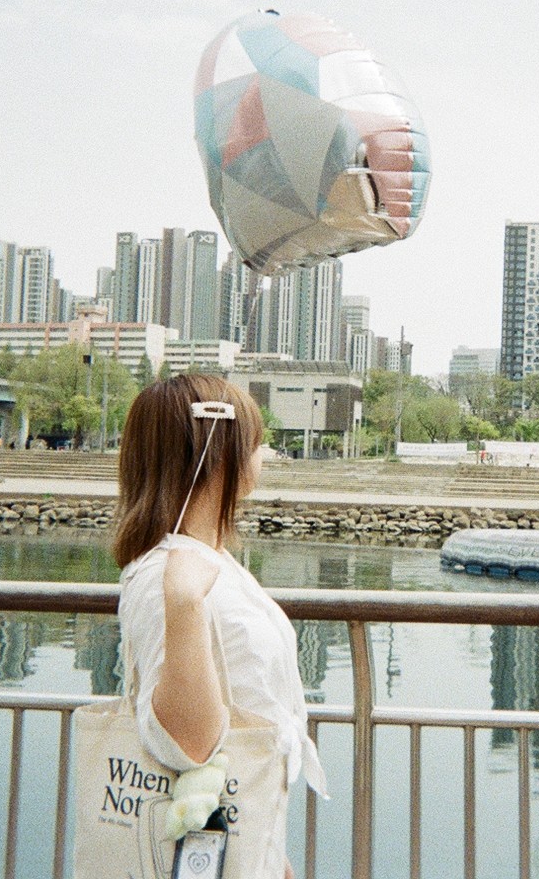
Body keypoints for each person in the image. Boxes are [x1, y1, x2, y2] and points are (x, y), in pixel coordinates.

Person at [113, 374, 325, 879]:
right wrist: (184, 603)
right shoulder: (168, 576)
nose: (262, 454)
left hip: (242, 828)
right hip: (199, 845)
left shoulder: (207, 560)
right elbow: (187, 744)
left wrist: (269, 848)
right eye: (254, 442)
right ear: (219, 451)